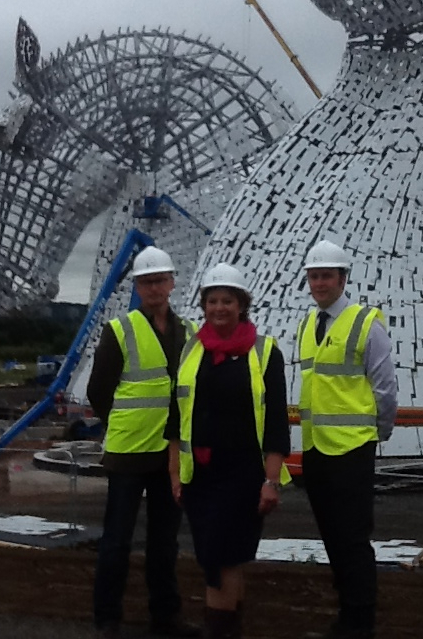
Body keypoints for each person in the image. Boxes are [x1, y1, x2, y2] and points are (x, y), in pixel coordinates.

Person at [167, 262, 290, 639]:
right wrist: (174, 474)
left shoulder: (266, 353)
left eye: (228, 301)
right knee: (226, 558)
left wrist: (272, 481)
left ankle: (217, 632)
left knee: (218, 557)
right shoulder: (192, 351)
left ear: (242, 305)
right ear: (204, 305)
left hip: (243, 476)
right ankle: (229, 629)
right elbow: (176, 418)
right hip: (201, 476)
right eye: (213, 301)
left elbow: (275, 426)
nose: (219, 308)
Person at [87, 246, 200, 639]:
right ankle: (107, 619)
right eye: (147, 282)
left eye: (160, 280)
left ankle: (165, 616)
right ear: (137, 287)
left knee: (164, 541)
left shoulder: (187, 332)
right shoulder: (120, 331)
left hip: (169, 455)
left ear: (171, 283)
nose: (154, 288)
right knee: (117, 539)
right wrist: (123, 423)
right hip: (129, 453)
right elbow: (99, 392)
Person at [297, 240, 398, 639]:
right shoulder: (308, 325)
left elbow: (385, 387)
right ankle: (346, 617)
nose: (319, 283)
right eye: (314, 276)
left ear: (343, 278)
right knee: (332, 537)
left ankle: (360, 623)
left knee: (353, 540)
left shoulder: (364, 323)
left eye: (326, 276)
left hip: (352, 449)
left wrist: (379, 432)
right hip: (316, 448)